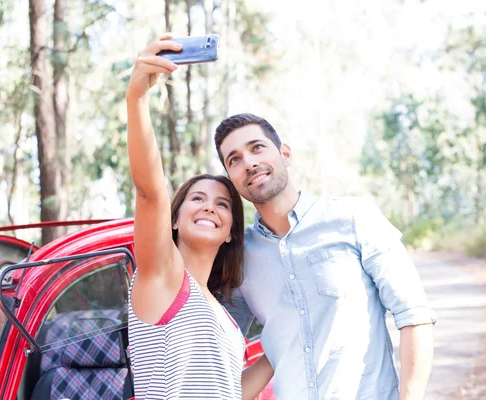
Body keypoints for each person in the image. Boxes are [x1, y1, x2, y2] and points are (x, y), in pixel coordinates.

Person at [215, 113, 437, 400]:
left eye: (257, 147)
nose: (249, 162)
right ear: (232, 179)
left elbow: (414, 315)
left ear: (285, 153)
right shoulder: (240, 258)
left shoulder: (354, 217)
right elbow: (217, 352)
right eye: (234, 159)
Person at [125, 35, 273, 400]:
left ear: (229, 233)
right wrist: (137, 99)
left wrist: (280, 344)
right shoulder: (162, 277)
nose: (210, 207)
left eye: (223, 204)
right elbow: (150, 192)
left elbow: (231, 391)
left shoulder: (220, 313)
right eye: (197, 198)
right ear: (172, 220)